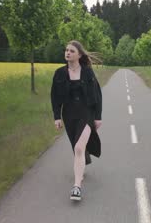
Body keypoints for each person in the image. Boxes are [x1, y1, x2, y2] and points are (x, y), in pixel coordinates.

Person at [50, 40, 103, 201]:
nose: (67, 53)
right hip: (69, 114)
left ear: (79, 55)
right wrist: (57, 116)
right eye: (66, 50)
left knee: (79, 147)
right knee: (76, 147)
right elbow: (55, 97)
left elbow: (97, 94)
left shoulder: (87, 72)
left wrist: (98, 117)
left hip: (86, 113)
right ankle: (83, 162)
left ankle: (77, 186)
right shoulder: (59, 73)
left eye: (72, 51)